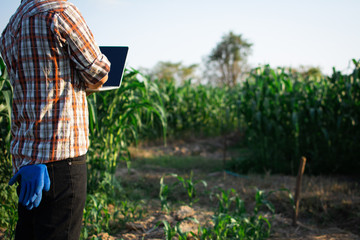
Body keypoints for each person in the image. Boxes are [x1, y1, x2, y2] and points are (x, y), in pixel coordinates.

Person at [0, 0, 110, 239]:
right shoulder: (61, 12)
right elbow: (97, 72)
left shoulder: (12, 25)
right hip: (62, 159)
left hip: (29, 163)